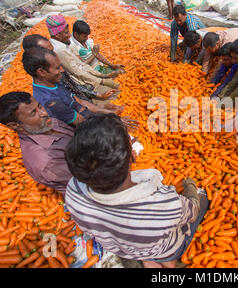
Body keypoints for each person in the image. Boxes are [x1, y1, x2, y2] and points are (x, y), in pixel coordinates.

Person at [64, 113, 209, 268]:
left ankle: (147, 259)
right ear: (133, 156)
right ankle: (166, 259)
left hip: (121, 248)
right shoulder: (164, 204)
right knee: (202, 198)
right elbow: (192, 212)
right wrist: (190, 187)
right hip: (163, 249)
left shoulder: (73, 190)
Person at [21, 47, 127, 127]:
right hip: (87, 130)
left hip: (90, 119)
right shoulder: (50, 101)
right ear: (42, 72)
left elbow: (80, 103)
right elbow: (84, 122)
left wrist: (105, 110)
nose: (62, 70)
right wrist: (114, 120)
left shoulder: (53, 82)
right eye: (57, 68)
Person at [0, 92, 73, 195]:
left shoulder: (47, 123)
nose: (44, 113)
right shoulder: (46, 161)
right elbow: (88, 181)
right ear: (16, 125)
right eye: (33, 113)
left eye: (40, 106)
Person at [45, 15, 121, 102]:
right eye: (66, 33)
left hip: (85, 80)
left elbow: (80, 65)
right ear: (57, 35)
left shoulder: (64, 44)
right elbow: (78, 71)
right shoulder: (60, 50)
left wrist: (103, 74)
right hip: (79, 85)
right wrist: (102, 81)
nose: (70, 35)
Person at [22, 34, 118, 103]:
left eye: (52, 49)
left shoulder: (53, 70)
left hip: (85, 100)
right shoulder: (48, 98)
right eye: (48, 51)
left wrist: (100, 92)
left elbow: (74, 87)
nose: (53, 52)